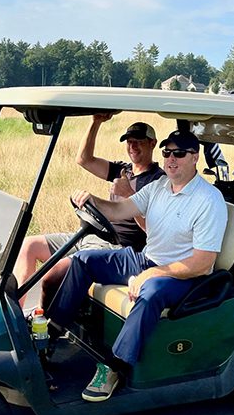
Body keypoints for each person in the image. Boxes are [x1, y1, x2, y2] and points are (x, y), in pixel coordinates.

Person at [47, 130, 228, 402]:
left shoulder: (208, 200)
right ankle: (52, 332)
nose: (171, 159)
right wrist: (92, 200)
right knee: (83, 261)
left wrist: (150, 274)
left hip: (184, 276)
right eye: (167, 152)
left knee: (151, 292)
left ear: (195, 157)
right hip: (147, 259)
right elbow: (119, 211)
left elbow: (202, 263)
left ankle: (115, 366)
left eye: (179, 153)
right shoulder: (158, 188)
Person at [14, 114, 165, 308]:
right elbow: (84, 159)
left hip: (117, 249)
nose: (132, 146)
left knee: (54, 275)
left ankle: (46, 327)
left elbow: (153, 231)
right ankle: (15, 314)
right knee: (29, 245)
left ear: (153, 143)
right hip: (93, 236)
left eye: (139, 142)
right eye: (129, 142)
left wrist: (129, 195)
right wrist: (96, 121)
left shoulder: (158, 182)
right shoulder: (123, 170)